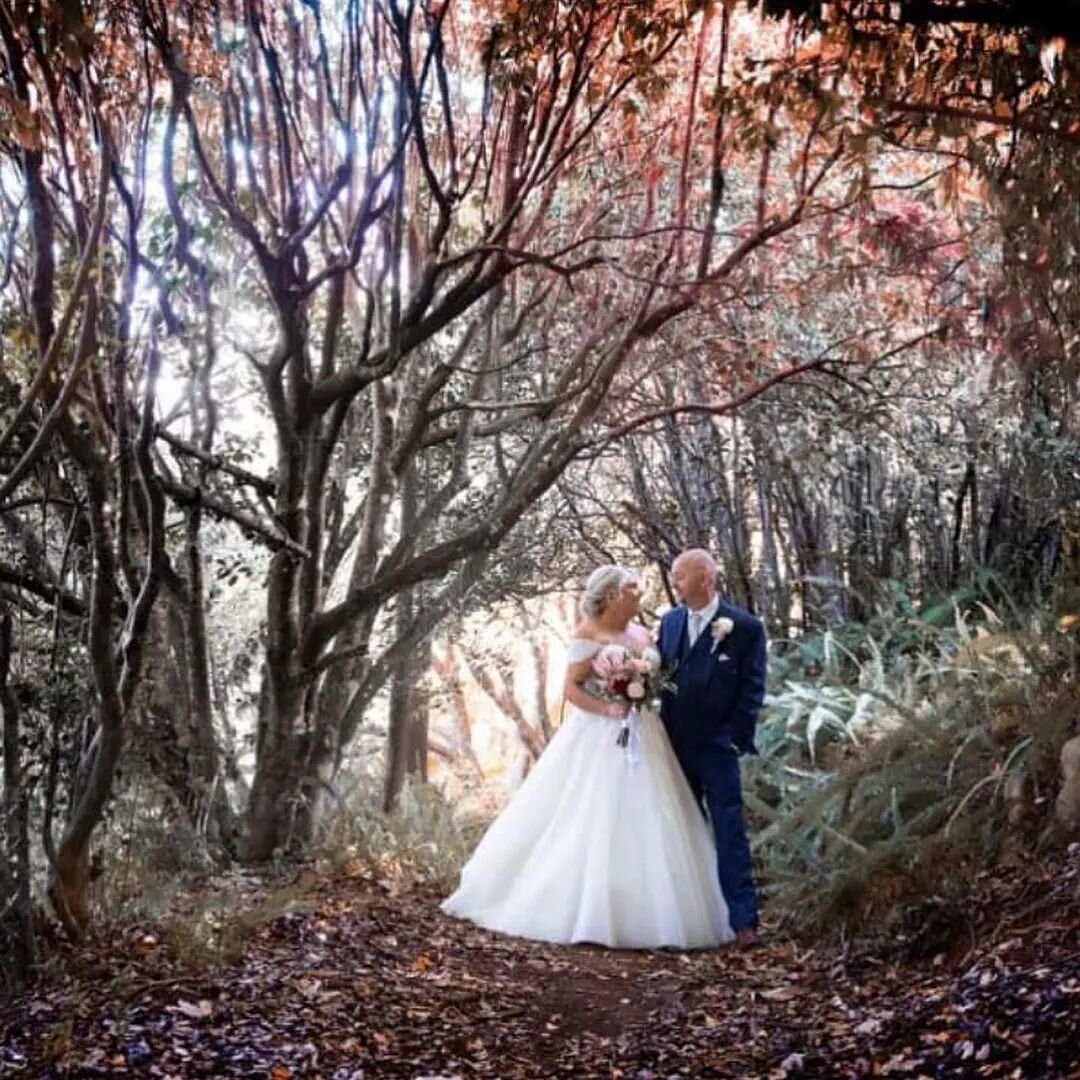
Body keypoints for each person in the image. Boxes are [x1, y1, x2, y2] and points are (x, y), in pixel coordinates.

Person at [441, 565, 732, 949]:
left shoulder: (643, 633)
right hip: (599, 732)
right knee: (595, 814)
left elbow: (657, 677)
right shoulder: (587, 633)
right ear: (612, 595)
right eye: (631, 586)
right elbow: (572, 689)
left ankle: (646, 907)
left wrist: (642, 690)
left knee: (651, 815)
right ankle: (585, 905)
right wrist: (609, 708)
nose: (638, 590)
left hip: (645, 731)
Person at [657, 549, 767, 946]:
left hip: (717, 749)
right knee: (681, 831)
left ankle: (744, 923)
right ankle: (683, 921)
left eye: (680, 576)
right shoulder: (669, 622)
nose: (675, 583)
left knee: (729, 831)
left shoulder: (745, 626)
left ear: (705, 577)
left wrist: (735, 737)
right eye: (673, 576)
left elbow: (752, 687)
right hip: (673, 746)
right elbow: (663, 675)